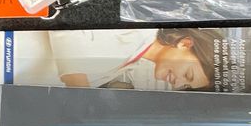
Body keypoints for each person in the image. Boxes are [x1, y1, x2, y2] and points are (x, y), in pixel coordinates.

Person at [48, 28, 217, 91]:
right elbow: (67, 28)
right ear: (185, 44)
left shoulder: (135, 60)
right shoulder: (136, 31)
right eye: (188, 75)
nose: (178, 83)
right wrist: (79, 91)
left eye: (186, 86)